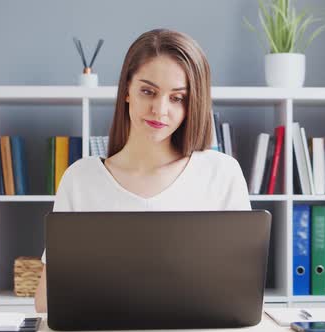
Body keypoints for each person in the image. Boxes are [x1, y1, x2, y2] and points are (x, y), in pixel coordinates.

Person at [34, 29, 251, 312]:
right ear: (126, 90)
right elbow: (45, 301)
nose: (159, 110)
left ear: (192, 103)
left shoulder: (221, 174)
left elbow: (241, 290)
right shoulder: (81, 179)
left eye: (177, 98)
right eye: (148, 91)